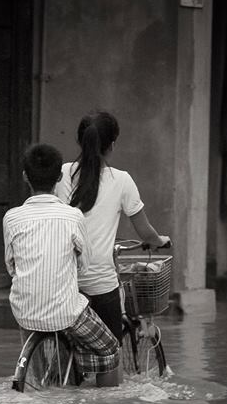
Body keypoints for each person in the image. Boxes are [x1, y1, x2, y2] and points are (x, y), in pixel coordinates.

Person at [55, 111, 170, 386]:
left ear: (80, 140)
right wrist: (159, 241)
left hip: (64, 281)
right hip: (99, 284)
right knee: (110, 356)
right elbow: (145, 231)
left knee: (65, 351)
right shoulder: (122, 180)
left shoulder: (61, 174)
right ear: (112, 145)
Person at [4, 143, 120, 386]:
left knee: (35, 332)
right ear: (59, 177)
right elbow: (84, 265)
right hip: (66, 311)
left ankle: (39, 379)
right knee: (110, 348)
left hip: (24, 310)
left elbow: (11, 266)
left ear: (25, 176)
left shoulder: (12, 217)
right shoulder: (73, 216)